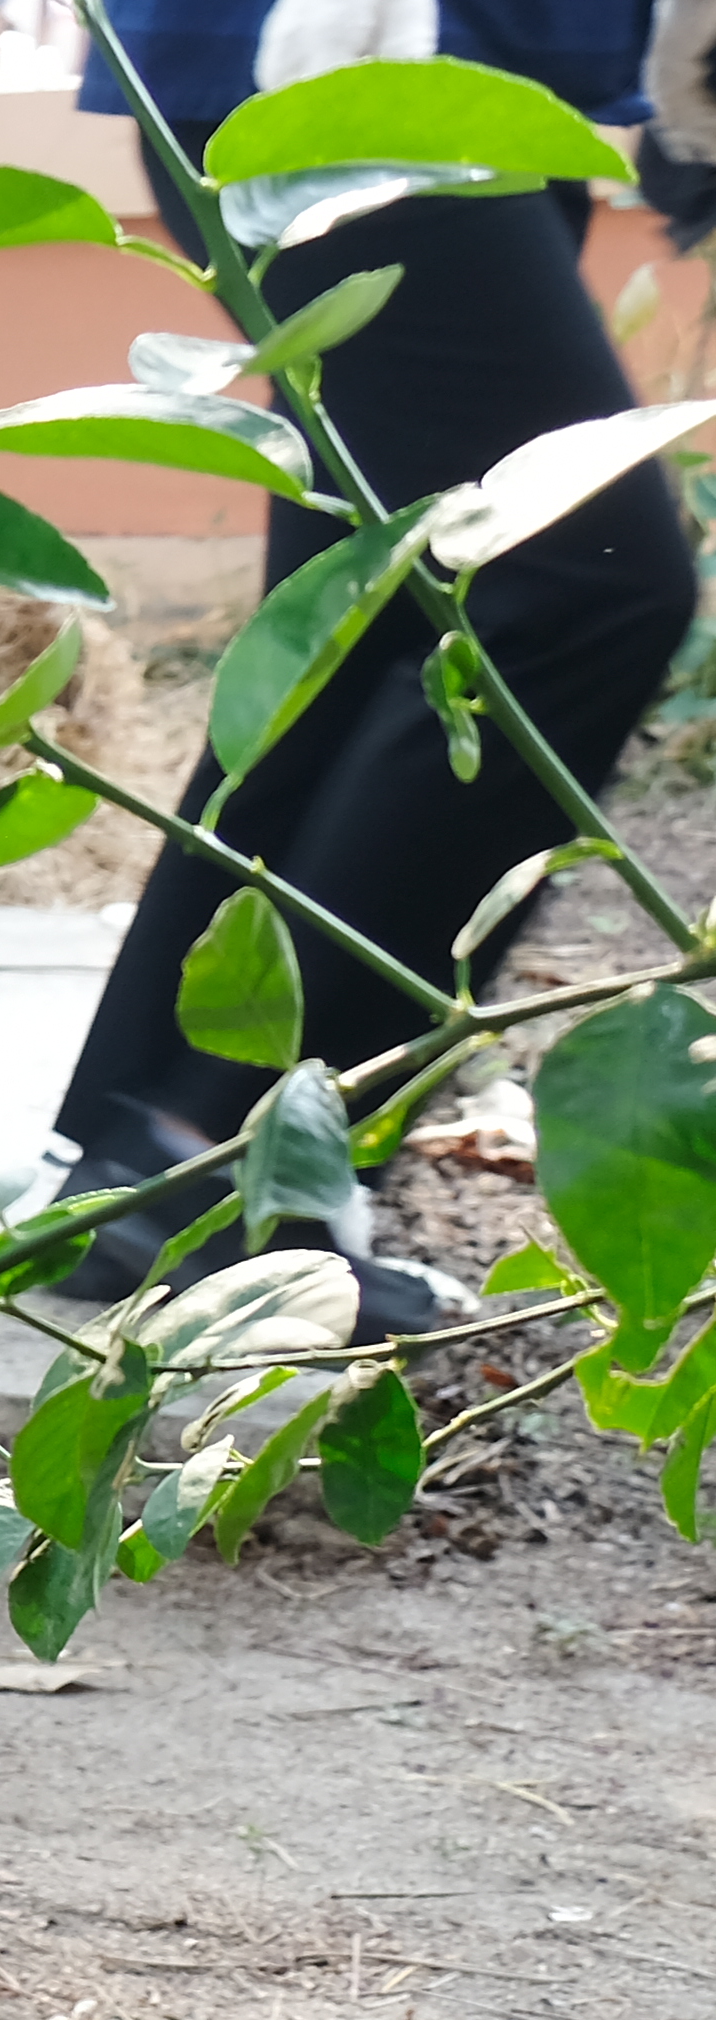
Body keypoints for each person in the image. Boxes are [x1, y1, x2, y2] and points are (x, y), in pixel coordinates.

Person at [47, 0, 701, 1317]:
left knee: (378, 603)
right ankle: (213, 1158)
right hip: (354, 62)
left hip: (443, 84)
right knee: (580, 583)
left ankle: (157, 1144)